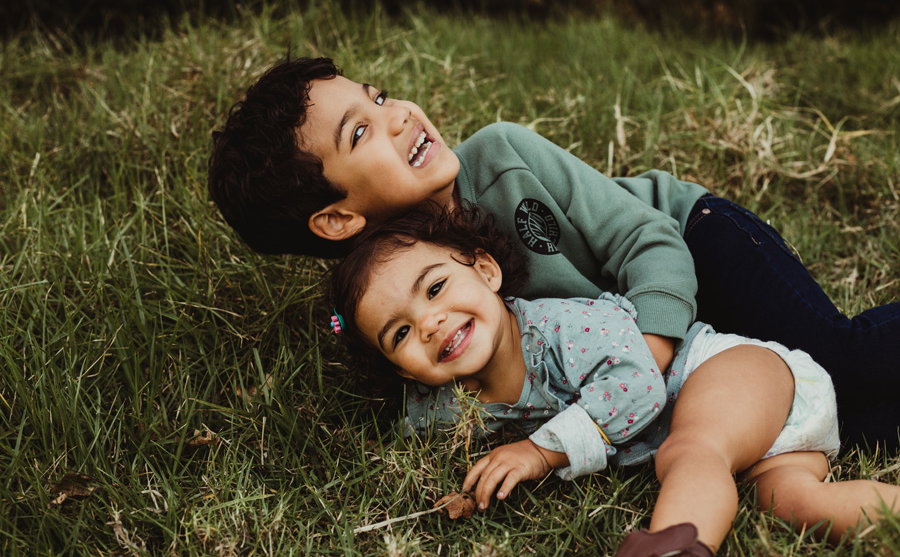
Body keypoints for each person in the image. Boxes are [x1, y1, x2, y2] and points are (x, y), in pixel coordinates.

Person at [207, 56, 900, 448]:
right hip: (658, 343)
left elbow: (644, 239)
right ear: (335, 220)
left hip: (693, 242)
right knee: (833, 424)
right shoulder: (396, 297)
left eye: (378, 95)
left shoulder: (505, 155)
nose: (398, 115)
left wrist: (651, 357)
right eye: (362, 133)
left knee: (838, 358)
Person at [326, 207, 900, 556]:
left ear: (485, 270)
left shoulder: (559, 325)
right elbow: (427, 444)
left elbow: (641, 384)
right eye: (399, 334)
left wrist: (537, 451)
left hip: (732, 374)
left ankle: (670, 549)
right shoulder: (445, 409)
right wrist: (471, 489)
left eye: (434, 289)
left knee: (690, 450)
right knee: (796, 504)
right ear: (403, 372)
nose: (429, 324)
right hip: (754, 453)